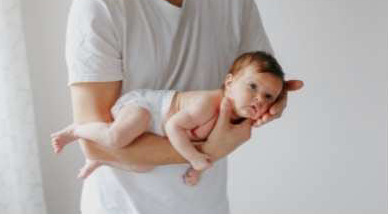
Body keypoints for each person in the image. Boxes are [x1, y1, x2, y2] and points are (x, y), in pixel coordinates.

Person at [65, 0, 303, 213]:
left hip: (205, 202)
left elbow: (255, 84)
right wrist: (210, 149)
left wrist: (274, 100)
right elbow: (96, 144)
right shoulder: (98, 6)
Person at [53, 51, 286, 186]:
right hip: (146, 108)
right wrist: (194, 159)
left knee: (143, 166)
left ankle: (102, 160)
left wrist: (198, 168)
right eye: (252, 87)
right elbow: (175, 127)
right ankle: (76, 130)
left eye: (268, 96)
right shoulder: (209, 103)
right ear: (229, 82)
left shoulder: (236, 124)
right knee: (117, 138)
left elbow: (209, 147)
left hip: (156, 129)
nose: (258, 99)